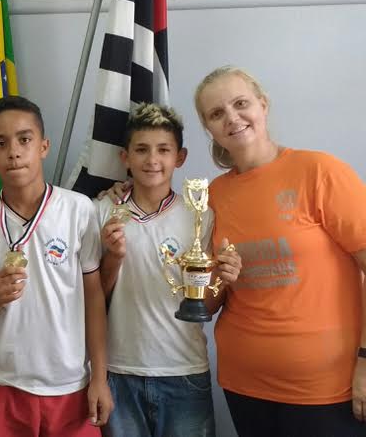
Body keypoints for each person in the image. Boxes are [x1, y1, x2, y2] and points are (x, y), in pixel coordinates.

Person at [193, 66, 366, 437]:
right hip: (244, 384)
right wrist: (219, 277)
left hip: (326, 388)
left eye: (241, 104)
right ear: (208, 127)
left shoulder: (319, 171)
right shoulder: (213, 194)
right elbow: (208, 303)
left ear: (263, 105)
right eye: (217, 113)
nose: (232, 118)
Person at [0, 95, 113, 436]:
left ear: (44, 147)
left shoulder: (79, 210)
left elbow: (94, 298)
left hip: (70, 382)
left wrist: (100, 378)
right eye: (1, 143)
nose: (14, 152)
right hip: (3, 381)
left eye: (24, 140)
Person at [95, 103, 240, 437]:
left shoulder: (201, 215)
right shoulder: (102, 211)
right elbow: (93, 297)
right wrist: (114, 258)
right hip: (119, 370)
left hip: (184, 369)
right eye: (141, 150)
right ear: (125, 157)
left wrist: (223, 280)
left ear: (180, 157)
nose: (152, 160)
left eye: (163, 150)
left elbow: (204, 305)